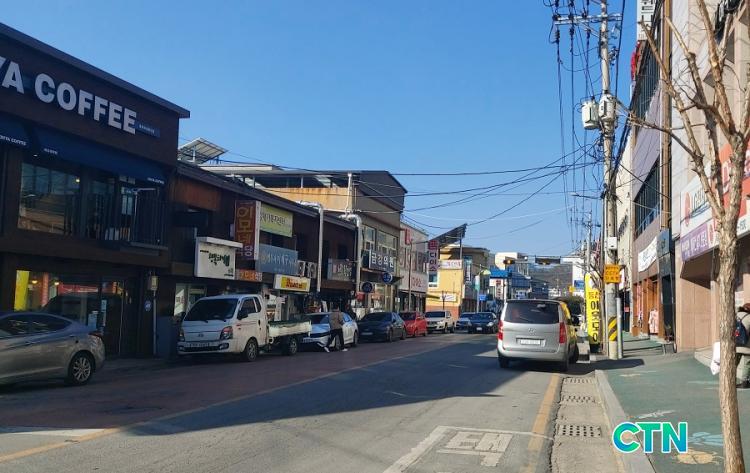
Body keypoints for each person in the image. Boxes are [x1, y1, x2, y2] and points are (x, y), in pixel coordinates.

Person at [737, 304, 750, 389]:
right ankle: (744, 382)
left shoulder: (734, 316)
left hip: (734, 345)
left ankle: (729, 381)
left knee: (733, 364)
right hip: (747, 346)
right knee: (747, 364)